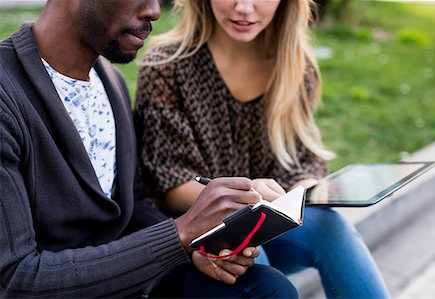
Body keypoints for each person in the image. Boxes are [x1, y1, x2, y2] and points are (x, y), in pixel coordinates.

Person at [0, 0, 299, 298]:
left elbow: (131, 208)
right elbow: (14, 280)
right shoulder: (7, 96)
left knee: (268, 287)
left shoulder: (110, 82)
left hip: (129, 283)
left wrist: (197, 245)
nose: (154, 11)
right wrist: (179, 233)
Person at [134, 0, 391, 298]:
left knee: (331, 228)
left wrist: (308, 191)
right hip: (200, 237)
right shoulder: (167, 64)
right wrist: (246, 199)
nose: (244, 8)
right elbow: (167, 182)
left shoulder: (294, 63)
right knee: (248, 249)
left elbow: (303, 159)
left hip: (273, 223)